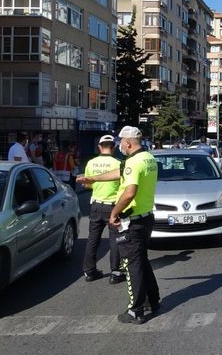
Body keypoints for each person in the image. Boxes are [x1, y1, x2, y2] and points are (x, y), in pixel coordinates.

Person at [78, 126, 160, 325]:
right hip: (146, 217)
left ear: (128, 142)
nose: (120, 145)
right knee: (142, 260)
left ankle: (136, 310)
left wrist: (115, 213)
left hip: (132, 220)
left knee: (132, 265)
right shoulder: (148, 159)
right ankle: (153, 300)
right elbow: (118, 172)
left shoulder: (133, 163)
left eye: (122, 141)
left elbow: (130, 192)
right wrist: (93, 178)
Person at [82, 135, 125, 284]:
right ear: (113, 148)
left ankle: (89, 272)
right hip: (113, 206)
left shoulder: (91, 163)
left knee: (93, 238)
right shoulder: (119, 163)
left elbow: (87, 185)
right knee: (115, 239)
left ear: (100, 147)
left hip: (96, 205)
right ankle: (116, 272)